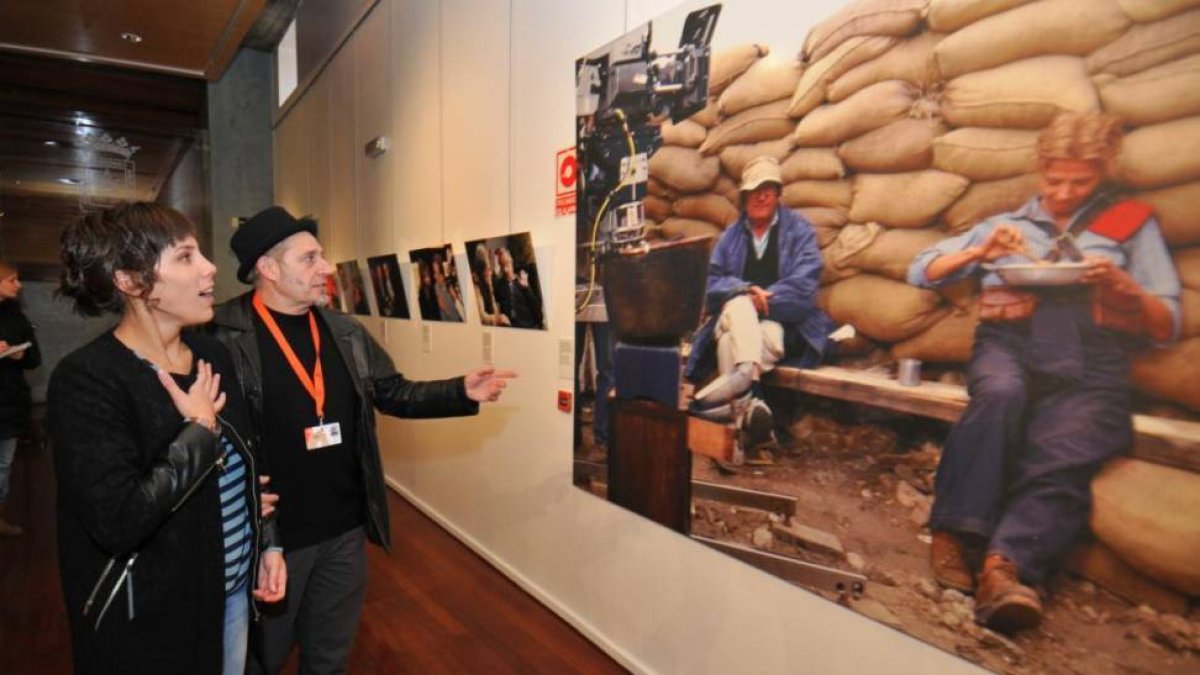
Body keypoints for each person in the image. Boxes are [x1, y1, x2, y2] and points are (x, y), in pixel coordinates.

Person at [907, 112, 1181, 634]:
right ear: (1040, 172)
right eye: (1054, 180)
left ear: (1102, 174)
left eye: (1080, 182)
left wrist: (1130, 289)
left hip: (1092, 357)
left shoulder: (1130, 225)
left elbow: (1167, 324)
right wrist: (980, 251)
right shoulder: (1007, 225)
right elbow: (921, 268)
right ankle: (952, 535)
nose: (1064, 193)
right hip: (1009, 343)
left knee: (1073, 437)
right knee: (1000, 394)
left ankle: (1006, 567)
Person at [211, 205, 515, 674]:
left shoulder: (344, 331)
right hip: (270, 537)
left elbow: (393, 392)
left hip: (343, 529)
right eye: (309, 259)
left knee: (330, 656)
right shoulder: (220, 338)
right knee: (260, 658)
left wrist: (459, 390)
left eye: (322, 256)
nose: (326, 268)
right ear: (268, 269)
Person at [50, 202, 285, 675]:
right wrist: (198, 432)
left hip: (233, 588)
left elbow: (243, 461)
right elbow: (118, 519)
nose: (210, 267)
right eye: (185, 257)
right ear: (131, 281)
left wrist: (268, 545)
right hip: (157, 620)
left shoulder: (210, 352)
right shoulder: (88, 379)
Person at [684, 156, 835, 457]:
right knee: (737, 302)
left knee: (733, 340)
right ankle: (750, 408)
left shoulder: (799, 231)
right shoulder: (730, 237)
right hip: (735, 317)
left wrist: (763, 299)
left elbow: (804, 288)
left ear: (778, 194)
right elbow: (712, 287)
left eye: (768, 188)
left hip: (785, 325)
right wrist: (744, 291)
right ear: (743, 198)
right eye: (754, 189)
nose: (762, 195)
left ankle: (742, 407)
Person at [0, 262, 40, 535]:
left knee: (3, 466)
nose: (19, 285)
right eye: (12, 280)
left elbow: (35, 358)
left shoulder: (18, 318)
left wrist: (20, 354)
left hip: (8, 405)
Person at [493, 247, 544, 329]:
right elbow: (493, 301)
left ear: (511, 261)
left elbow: (538, 312)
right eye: (502, 265)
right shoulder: (499, 285)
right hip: (510, 329)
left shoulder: (522, 280)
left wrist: (527, 288)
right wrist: (495, 272)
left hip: (528, 328)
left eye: (507, 263)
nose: (505, 269)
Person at [472, 243, 508, 326]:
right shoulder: (476, 287)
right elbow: (482, 316)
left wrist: (498, 316)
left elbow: (493, 303)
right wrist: (496, 319)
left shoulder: (489, 281)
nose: (490, 272)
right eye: (487, 269)